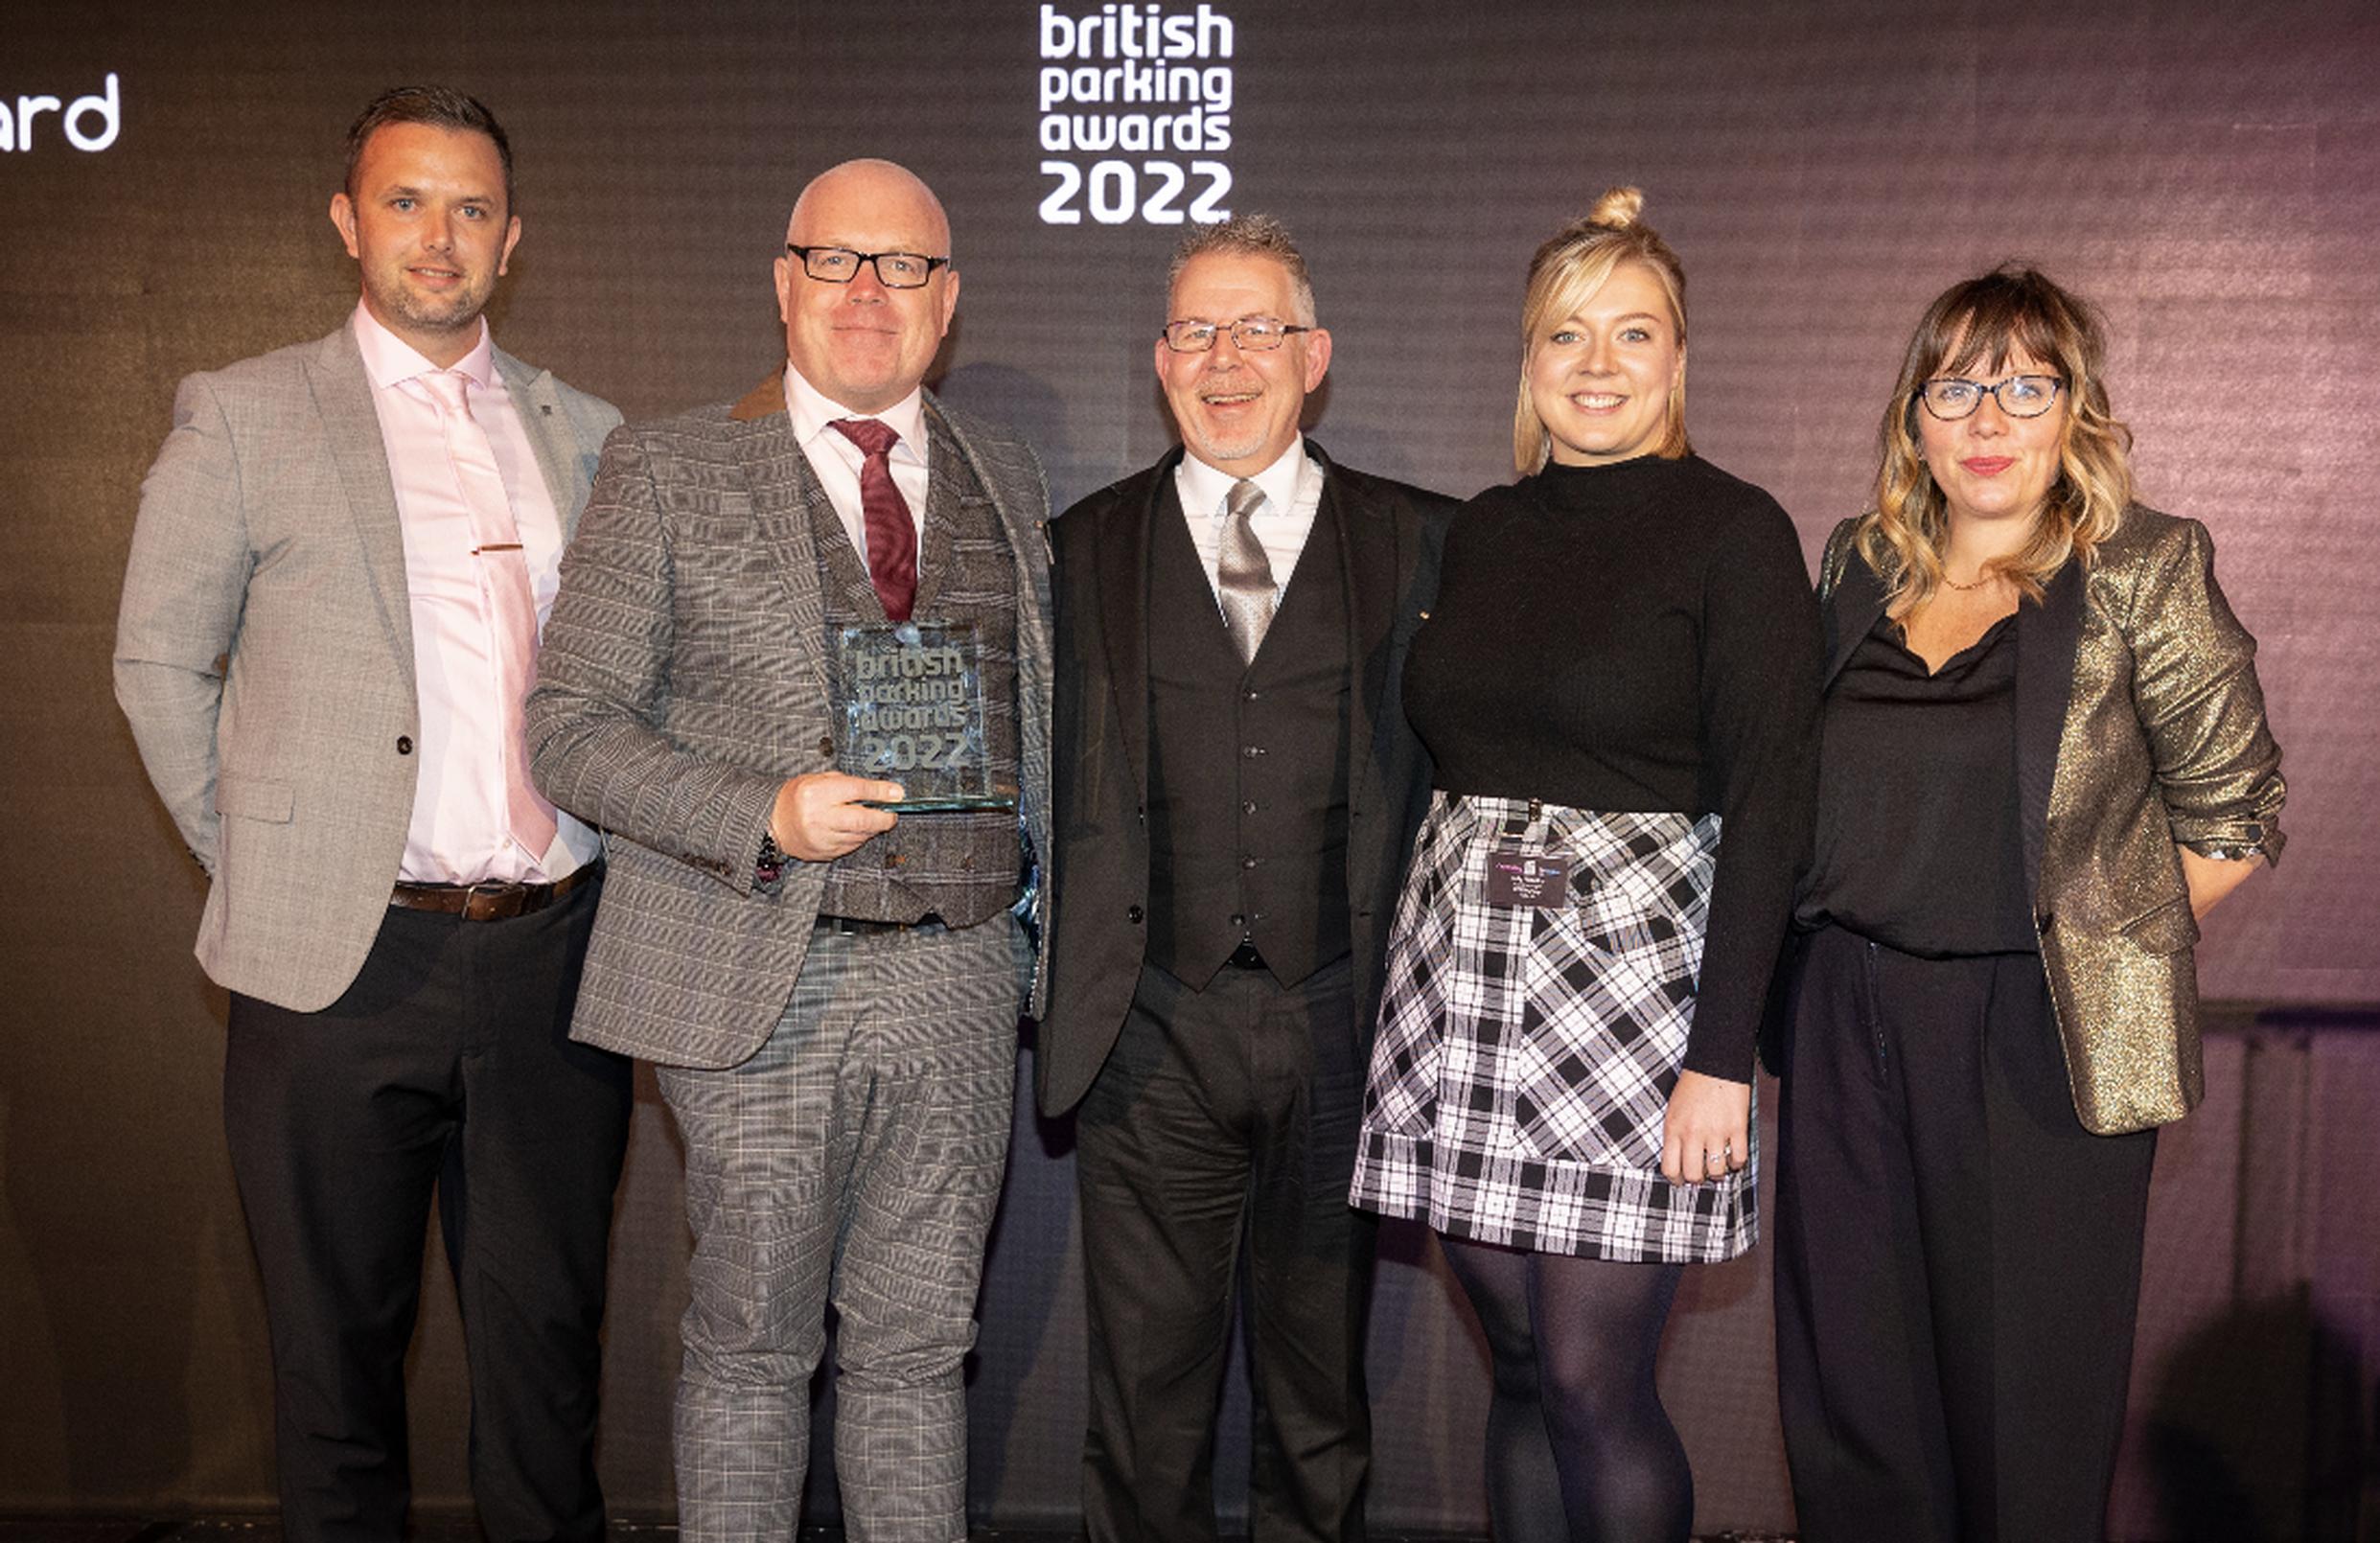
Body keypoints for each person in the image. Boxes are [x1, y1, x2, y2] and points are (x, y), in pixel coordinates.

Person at [112, 86, 631, 1542]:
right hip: (336, 971)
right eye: (406, 201)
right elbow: (158, 660)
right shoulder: (245, 411)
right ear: (348, 222)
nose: (438, 236)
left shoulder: (587, 436)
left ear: (512, 239)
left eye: (471, 208)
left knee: (548, 1376)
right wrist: (280, 863)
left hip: (556, 967)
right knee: (333, 1381)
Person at [523, 157, 1052, 1541]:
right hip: (760, 976)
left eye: (906, 267)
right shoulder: (668, 464)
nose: (870, 294)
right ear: (784, 283)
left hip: (958, 979)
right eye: (839, 260)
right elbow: (569, 730)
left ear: (950, 302)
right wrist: (760, 809)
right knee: (752, 1345)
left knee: (920, 1348)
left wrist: (1034, 937)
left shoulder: (1008, 472)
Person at [1771, 265, 2285, 1542]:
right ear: (1913, 417)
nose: (1988, 419)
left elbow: (2238, 816)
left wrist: (2098, 954)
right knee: (1854, 1403)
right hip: (1842, 1015)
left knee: (2025, 1418)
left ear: (2075, 413)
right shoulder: (1855, 561)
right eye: (1955, 387)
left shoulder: (2143, 569)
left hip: (2038, 1039)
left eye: (2025, 384)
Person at [1348, 189, 1819, 1543]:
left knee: (1589, 1377)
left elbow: (1776, 797)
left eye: (1631, 333)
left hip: (1641, 994)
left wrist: (1720, 1053)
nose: (1596, 364)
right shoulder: (1482, 531)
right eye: (1566, 335)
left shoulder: (1735, 532)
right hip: (1462, 985)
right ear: (1528, 359)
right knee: (1515, 1368)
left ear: (1678, 359)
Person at [1038, 214, 1454, 1542]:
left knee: (1320, 1402)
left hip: (1347, 1024)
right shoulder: (1077, 550)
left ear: (1315, 356)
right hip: (1148, 1026)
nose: (1226, 360)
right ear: (1161, 361)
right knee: (1144, 1411)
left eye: (1257, 328)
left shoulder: (1423, 543)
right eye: (1196, 331)